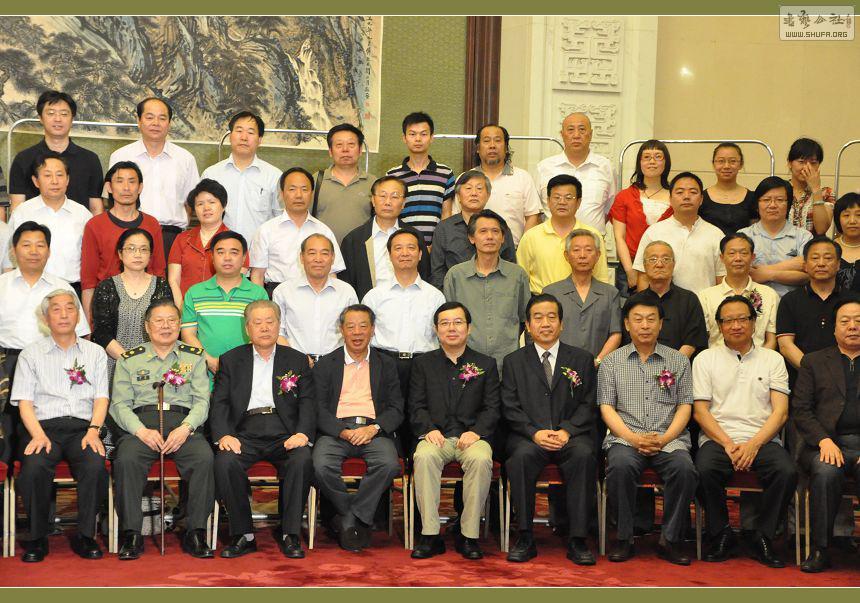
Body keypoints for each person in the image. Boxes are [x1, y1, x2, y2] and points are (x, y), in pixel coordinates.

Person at [693, 295, 797, 568]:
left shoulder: (773, 359)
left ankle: (762, 535)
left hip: (762, 438)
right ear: (719, 326)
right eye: (728, 320)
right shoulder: (705, 359)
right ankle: (721, 533)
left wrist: (753, 444)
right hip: (718, 438)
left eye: (742, 319)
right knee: (702, 469)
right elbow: (700, 412)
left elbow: (780, 412)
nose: (736, 325)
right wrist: (728, 444)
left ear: (754, 323)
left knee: (786, 472)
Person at [598, 292, 698, 565]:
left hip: (668, 438)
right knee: (620, 467)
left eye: (651, 319)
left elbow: (685, 406)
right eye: (638, 319)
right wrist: (632, 438)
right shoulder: (611, 362)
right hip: (625, 438)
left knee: (684, 469)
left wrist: (665, 438)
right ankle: (624, 538)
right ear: (627, 324)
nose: (645, 325)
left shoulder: (678, 361)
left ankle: (671, 539)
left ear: (661, 324)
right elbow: (606, 408)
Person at [110, 299, 214, 560]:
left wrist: (187, 427)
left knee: (204, 458)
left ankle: (196, 532)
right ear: (147, 326)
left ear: (179, 325)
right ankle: (132, 533)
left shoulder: (194, 356)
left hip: (183, 424)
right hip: (142, 426)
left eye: (172, 320)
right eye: (159, 320)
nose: (166, 326)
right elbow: (119, 404)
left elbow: (203, 401)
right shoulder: (129, 359)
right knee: (127, 459)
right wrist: (140, 431)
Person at [211, 300, 315, 559]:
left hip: (285, 430)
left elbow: (308, 402)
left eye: (270, 322)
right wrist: (224, 435)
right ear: (247, 328)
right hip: (244, 431)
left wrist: (302, 433)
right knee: (225, 461)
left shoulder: (297, 360)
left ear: (279, 325)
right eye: (257, 323)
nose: (265, 328)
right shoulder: (231, 360)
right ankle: (243, 535)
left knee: (301, 459)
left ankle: (290, 533)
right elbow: (220, 402)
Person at [10, 290, 109, 562]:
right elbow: (24, 402)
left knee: (95, 465)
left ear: (79, 315)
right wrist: (37, 435)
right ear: (46, 318)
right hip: (42, 428)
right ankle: (37, 537)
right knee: (33, 467)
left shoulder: (95, 353)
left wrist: (94, 430)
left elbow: (102, 397)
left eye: (70, 308)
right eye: (56, 309)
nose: (64, 314)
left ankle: (86, 535)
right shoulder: (30, 354)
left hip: (83, 428)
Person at [502, 293, 597, 565]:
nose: (545, 323)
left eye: (552, 317)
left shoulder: (581, 359)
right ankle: (525, 536)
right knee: (520, 458)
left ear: (562, 324)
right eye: (538, 318)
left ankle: (578, 539)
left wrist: (567, 431)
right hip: (529, 436)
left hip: (571, 436)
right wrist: (534, 432)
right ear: (528, 325)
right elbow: (509, 406)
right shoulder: (513, 361)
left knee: (584, 456)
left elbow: (589, 403)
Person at [409, 301, 500, 560]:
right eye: (445, 323)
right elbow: (415, 405)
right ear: (436, 329)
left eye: (458, 322)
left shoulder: (486, 364)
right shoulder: (423, 364)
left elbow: (492, 407)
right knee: (424, 456)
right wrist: (428, 429)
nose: (452, 328)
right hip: (435, 436)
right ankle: (430, 534)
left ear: (469, 328)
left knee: (481, 459)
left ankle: (468, 535)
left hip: (471, 436)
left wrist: (477, 431)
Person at [311, 305, 404, 552]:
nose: (357, 332)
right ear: (341, 330)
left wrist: (374, 428)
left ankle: (350, 517)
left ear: (373, 330)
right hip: (336, 431)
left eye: (363, 326)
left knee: (389, 464)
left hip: (373, 430)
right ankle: (353, 516)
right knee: (320, 465)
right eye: (350, 326)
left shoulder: (386, 364)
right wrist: (341, 430)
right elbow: (317, 409)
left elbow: (397, 408)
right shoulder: (325, 364)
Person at [791, 296, 860, 572]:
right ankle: (821, 548)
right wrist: (824, 440)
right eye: (845, 321)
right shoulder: (814, 362)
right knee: (826, 471)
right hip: (824, 443)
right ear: (834, 328)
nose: (852, 326)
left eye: (858, 321)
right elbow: (801, 409)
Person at [108, 97, 199, 257]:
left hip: (172, 239)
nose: (156, 123)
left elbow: (191, 203)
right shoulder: (120, 156)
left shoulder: (185, 159)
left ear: (169, 123)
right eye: (149, 117)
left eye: (162, 118)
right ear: (139, 120)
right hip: (130, 236)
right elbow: (111, 200)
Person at [0, 222, 90, 379]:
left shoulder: (63, 288)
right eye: (26, 245)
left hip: (53, 362)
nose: (33, 251)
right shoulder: (2, 285)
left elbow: (81, 334)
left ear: (49, 252)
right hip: (6, 363)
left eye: (40, 245)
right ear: (13, 251)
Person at [443, 210, 530, 371]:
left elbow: (525, 320)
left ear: (503, 238)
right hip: (465, 365)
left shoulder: (517, 275)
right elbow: (447, 322)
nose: (490, 236)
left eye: (495, 231)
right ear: (471, 238)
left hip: (508, 364)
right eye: (483, 231)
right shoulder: (455, 276)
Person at [363, 228, 445, 400]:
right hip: (385, 365)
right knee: (386, 413)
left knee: (421, 414)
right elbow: (364, 337)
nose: (405, 253)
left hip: (425, 366)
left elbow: (442, 338)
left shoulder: (435, 296)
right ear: (389, 255)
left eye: (411, 248)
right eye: (398, 248)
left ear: (420, 254)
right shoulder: (374, 296)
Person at [80, 161, 166, 325]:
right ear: (109, 187)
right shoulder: (95, 225)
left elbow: (158, 272)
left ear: (140, 187)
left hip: (146, 307)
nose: (126, 188)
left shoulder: (151, 224)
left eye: (132, 181)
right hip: (106, 307)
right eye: (120, 181)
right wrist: (89, 326)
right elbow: (88, 281)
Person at [182, 231, 268, 376]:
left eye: (234, 252)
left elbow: (262, 333)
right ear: (212, 257)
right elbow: (188, 334)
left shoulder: (258, 294)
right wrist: (209, 361)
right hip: (203, 373)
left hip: (245, 370)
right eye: (220, 252)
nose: (227, 258)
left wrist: (236, 363)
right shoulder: (194, 293)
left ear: (244, 258)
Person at [5, 152, 92, 295]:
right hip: (29, 289)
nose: (54, 181)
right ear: (36, 181)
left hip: (71, 291)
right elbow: (9, 257)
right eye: (47, 175)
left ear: (67, 179)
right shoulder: (22, 212)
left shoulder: (82, 214)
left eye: (59, 175)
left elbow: (91, 260)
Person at [249, 167, 344, 298]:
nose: (299, 195)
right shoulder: (266, 230)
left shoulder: (324, 231)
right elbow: (257, 275)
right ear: (282, 194)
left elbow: (332, 274)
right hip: (275, 293)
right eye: (292, 189)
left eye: (304, 189)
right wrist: (262, 304)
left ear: (311, 193)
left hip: (316, 293)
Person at [91, 228, 173, 378]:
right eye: (131, 249)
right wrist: (130, 361)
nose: (137, 254)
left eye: (144, 249)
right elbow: (101, 333)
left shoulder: (161, 285)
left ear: (150, 255)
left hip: (154, 365)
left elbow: (167, 328)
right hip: (115, 364)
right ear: (120, 253)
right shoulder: (106, 287)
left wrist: (146, 363)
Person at [8, 90, 103, 216]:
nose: (58, 119)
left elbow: (96, 208)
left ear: (72, 119)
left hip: (78, 227)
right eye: (51, 113)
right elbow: (17, 206)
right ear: (40, 118)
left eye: (64, 114)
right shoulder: (23, 159)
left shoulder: (90, 159)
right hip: (34, 227)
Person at [340, 175, 430, 300]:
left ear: (403, 203)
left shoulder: (415, 237)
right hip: (368, 306)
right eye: (382, 196)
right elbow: (346, 284)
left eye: (394, 196)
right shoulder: (353, 240)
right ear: (373, 200)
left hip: (409, 303)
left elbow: (425, 275)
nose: (388, 202)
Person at [633, 172, 725, 294]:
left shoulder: (716, 234)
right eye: (680, 192)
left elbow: (721, 279)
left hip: (704, 305)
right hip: (662, 304)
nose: (686, 196)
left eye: (693, 192)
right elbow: (643, 277)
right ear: (670, 199)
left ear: (701, 199)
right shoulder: (654, 232)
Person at [517, 174, 610, 294]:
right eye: (557, 197)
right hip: (543, 301)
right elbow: (521, 280)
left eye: (568, 198)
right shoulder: (531, 236)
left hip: (582, 301)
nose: (562, 202)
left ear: (578, 202)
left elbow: (601, 278)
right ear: (548, 201)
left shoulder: (592, 235)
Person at [272, 234, 358, 362]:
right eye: (312, 253)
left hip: (336, 364)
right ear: (301, 257)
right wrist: (298, 359)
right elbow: (278, 333)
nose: (318, 259)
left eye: (324, 253)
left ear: (333, 258)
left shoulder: (346, 292)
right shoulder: (283, 291)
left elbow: (354, 332)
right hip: (295, 364)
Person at [201, 111, 282, 246]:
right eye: (239, 131)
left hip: (258, 253)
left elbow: (280, 220)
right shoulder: (211, 175)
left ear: (259, 140)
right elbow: (203, 216)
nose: (244, 137)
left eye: (250, 132)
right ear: (230, 136)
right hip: (218, 253)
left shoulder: (274, 177)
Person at [543, 229, 621, 361]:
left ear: (598, 255)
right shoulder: (551, 293)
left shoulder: (610, 293)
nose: (582, 255)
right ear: (566, 256)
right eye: (576, 250)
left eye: (589, 250)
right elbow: (544, 333)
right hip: (558, 366)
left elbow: (615, 334)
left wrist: (597, 361)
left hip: (598, 367)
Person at [429, 170, 515, 289]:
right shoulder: (444, 228)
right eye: (468, 188)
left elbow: (510, 266)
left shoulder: (499, 226)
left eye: (479, 189)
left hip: (496, 293)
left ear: (488, 195)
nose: (474, 193)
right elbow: (437, 272)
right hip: (455, 294)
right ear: (458, 196)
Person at [168, 178, 248, 306]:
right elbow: (173, 280)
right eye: (200, 204)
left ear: (223, 206)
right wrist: (181, 308)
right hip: (186, 307)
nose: (206, 208)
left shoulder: (235, 242)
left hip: (222, 307)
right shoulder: (182, 239)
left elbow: (237, 279)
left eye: (212, 202)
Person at [609, 140, 673, 294]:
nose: (652, 161)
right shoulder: (624, 196)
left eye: (658, 156)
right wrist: (630, 270)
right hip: (630, 265)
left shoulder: (675, 197)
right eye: (646, 157)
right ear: (639, 163)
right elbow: (619, 237)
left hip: (666, 265)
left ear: (666, 162)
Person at [536, 112, 616, 232]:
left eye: (582, 129)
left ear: (591, 134)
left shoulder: (606, 167)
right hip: (552, 240)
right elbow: (536, 212)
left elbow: (610, 210)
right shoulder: (544, 167)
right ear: (562, 134)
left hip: (592, 241)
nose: (576, 135)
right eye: (570, 130)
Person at [626, 241, 708, 358]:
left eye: (665, 259)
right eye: (653, 259)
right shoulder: (634, 302)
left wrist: (671, 367)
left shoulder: (689, 300)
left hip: (679, 365)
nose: (659, 264)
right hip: (639, 365)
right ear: (644, 266)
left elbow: (692, 342)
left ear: (673, 264)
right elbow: (628, 341)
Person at [698, 233, 779, 350]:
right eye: (732, 253)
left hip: (759, 358)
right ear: (722, 258)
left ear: (752, 257)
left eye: (744, 253)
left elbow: (771, 340)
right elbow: (703, 339)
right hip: (717, 359)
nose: (738, 258)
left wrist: (760, 360)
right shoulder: (706, 297)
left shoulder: (769, 294)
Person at [386, 112, 455, 245]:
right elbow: (390, 215)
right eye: (412, 134)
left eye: (423, 134)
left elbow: (446, 215)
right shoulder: (392, 175)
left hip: (435, 247)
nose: (418, 139)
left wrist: (438, 246)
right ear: (404, 138)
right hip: (402, 247)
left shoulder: (446, 173)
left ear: (431, 137)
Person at [739, 176, 812, 298]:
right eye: (766, 200)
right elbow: (743, 273)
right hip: (753, 305)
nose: (772, 205)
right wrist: (791, 265)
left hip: (791, 304)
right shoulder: (744, 236)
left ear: (789, 204)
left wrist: (766, 273)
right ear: (757, 204)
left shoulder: (803, 236)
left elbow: (806, 276)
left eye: (779, 200)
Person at [470, 124, 542, 246]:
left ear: (506, 147)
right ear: (478, 148)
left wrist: (522, 250)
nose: (492, 145)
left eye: (498, 140)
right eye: (486, 141)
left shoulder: (523, 178)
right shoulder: (467, 179)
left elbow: (532, 217)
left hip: (515, 250)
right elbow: (457, 218)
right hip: (474, 251)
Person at [312, 123, 375, 244]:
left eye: (351, 144)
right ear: (330, 151)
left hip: (360, 250)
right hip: (324, 251)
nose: (345, 149)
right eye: (339, 145)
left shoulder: (373, 183)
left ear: (360, 150)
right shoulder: (316, 180)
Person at [699, 142, 757, 235]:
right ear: (713, 164)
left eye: (732, 161)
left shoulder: (752, 198)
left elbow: (755, 233)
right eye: (721, 161)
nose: (726, 166)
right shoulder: (701, 198)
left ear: (741, 164)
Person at [786, 137, 836, 236]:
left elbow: (821, 229)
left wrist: (816, 189)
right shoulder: (781, 190)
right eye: (801, 162)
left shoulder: (826, 193)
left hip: (813, 245)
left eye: (813, 163)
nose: (807, 168)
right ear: (789, 163)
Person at [832, 193, 860, 292]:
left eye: (859, 215)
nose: (852, 221)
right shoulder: (828, 248)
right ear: (838, 219)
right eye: (846, 215)